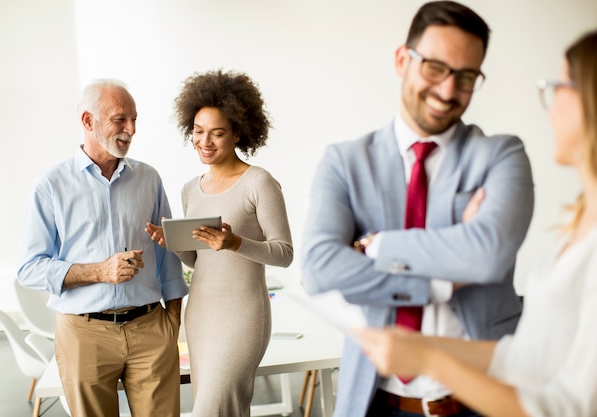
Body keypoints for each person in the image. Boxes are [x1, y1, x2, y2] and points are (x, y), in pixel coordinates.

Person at [301, 2, 535, 417]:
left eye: (465, 77)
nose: (447, 91)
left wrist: (377, 245)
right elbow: (320, 267)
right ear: (401, 60)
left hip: (482, 398)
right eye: (434, 68)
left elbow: (487, 255)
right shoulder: (345, 162)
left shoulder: (501, 155)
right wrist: (443, 278)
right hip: (378, 400)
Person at [355, 28, 597, 417]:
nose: (549, 105)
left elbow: (567, 408)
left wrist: (376, 246)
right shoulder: (578, 224)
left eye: (560, 86)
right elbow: (526, 357)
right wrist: (425, 349)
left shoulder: (503, 153)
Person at [18, 79, 187, 417]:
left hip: (151, 329)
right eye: (120, 119)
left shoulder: (149, 179)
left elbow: (167, 252)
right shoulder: (51, 186)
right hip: (84, 334)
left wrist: (172, 320)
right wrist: (100, 270)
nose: (131, 129)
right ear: (88, 121)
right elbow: (29, 268)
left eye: (135, 119)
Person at [145, 69, 293, 417]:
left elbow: (284, 254)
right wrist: (172, 243)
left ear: (238, 133)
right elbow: (201, 262)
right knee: (219, 410)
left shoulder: (259, 183)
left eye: (217, 133)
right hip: (200, 314)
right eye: (198, 132)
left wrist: (236, 242)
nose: (205, 142)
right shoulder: (189, 189)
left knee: (213, 410)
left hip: (243, 316)